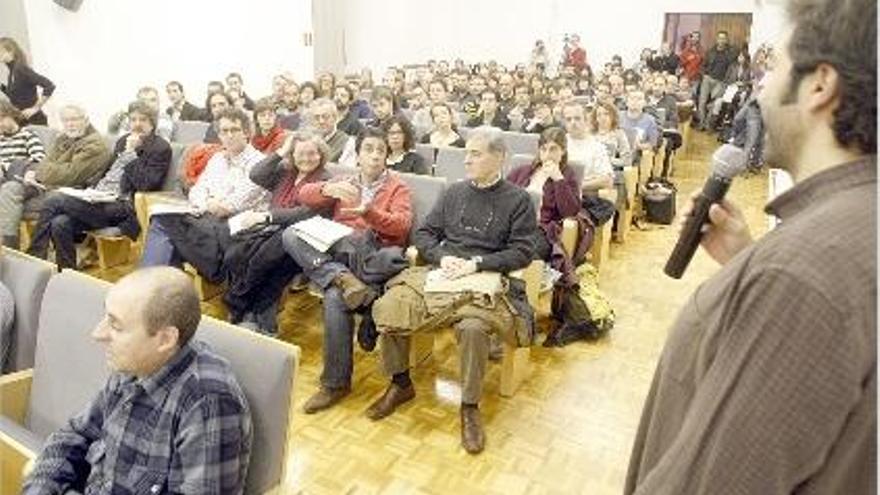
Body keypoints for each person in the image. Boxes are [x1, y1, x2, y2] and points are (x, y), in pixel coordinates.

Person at [625, 0, 876, 492]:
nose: (760, 86)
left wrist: (772, 273)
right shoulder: (850, 226)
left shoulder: (802, 274)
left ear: (819, 86)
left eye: (775, 68)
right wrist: (747, 261)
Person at [368, 127, 536, 455]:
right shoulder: (454, 192)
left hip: (485, 276)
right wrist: (443, 257)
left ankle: (469, 405)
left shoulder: (518, 200)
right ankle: (401, 383)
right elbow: (426, 234)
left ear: (499, 158)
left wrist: (475, 263)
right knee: (392, 304)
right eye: (467, 153)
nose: (467, 159)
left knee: (473, 328)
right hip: (444, 272)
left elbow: (522, 253)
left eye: (476, 153)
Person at [21, 266, 252, 494]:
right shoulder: (132, 366)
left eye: (115, 325)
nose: (97, 334)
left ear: (165, 339)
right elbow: (75, 435)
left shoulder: (208, 403)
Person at [282, 127, 413, 414]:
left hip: (373, 249)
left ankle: (335, 381)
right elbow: (304, 194)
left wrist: (370, 214)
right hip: (341, 250)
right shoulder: (344, 180)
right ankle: (346, 282)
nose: (375, 155)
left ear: (387, 157)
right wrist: (327, 188)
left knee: (344, 288)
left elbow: (402, 226)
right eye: (369, 149)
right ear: (358, 154)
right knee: (290, 235)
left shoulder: (397, 187)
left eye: (381, 150)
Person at [28, 101, 172, 270]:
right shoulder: (123, 141)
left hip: (123, 206)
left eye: (143, 120)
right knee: (60, 222)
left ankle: (35, 257)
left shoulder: (160, 147)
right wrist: (92, 191)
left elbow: (146, 184)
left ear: (152, 123)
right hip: (100, 199)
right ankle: (67, 271)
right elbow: (107, 172)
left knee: (55, 200)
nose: (137, 124)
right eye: (133, 119)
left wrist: (132, 154)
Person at [140, 108, 268, 282]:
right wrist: (208, 202)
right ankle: (162, 285)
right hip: (207, 218)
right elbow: (197, 190)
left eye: (234, 130)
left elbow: (231, 206)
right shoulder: (217, 159)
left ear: (247, 133)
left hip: (235, 227)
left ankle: (155, 284)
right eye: (224, 131)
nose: (229, 135)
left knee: (166, 227)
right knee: (162, 218)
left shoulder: (260, 164)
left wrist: (210, 203)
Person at [223, 131, 332, 334]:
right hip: (269, 232)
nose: (306, 158)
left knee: (268, 263)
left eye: (312, 153)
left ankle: (245, 309)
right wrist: (281, 151)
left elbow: (305, 213)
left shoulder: (325, 179)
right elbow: (256, 174)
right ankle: (252, 314)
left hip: (299, 237)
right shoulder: (286, 171)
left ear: (321, 155)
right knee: (236, 255)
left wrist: (268, 216)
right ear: (292, 154)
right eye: (300, 153)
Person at [0, 105, 112, 249]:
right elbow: (46, 162)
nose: (69, 124)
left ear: (86, 120)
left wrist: (38, 172)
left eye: (74, 119)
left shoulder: (95, 144)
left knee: (17, 176)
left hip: (68, 192)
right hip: (46, 185)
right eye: (65, 121)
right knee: (10, 187)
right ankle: (8, 247)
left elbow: (71, 174)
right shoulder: (63, 139)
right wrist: (34, 174)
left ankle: (29, 251)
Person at [561, 102, 613, 196]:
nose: (573, 122)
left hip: (586, 197)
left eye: (577, 118)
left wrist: (577, 186)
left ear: (586, 121)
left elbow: (607, 180)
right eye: (568, 119)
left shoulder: (597, 147)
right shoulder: (558, 144)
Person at [0, 37, 54, 126]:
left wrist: (35, 108)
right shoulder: (12, 71)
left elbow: (49, 86)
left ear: (11, 51)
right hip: (24, 121)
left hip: (35, 121)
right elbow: (15, 97)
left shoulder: (21, 69)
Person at [697, 31, 737, 129]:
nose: (721, 40)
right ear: (717, 39)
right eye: (720, 38)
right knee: (702, 102)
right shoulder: (711, 51)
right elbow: (703, 65)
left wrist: (726, 81)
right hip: (708, 79)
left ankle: (707, 123)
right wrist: (704, 74)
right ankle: (701, 123)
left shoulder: (730, 53)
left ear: (726, 40)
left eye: (723, 38)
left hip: (720, 82)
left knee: (714, 103)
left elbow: (732, 65)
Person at [0, 100, 45, 174]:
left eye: (1, 120)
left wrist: (9, 166)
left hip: (19, 176)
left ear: (11, 115)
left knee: (11, 185)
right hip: (2, 177)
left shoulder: (27, 135)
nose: (0, 125)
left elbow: (39, 158)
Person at [308, 98, 356, 165]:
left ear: (335, 118)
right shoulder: (307, 139)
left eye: (325, 117)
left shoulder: (347, 141)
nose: (321, 121)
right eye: (316, 118)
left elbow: (346, 171)